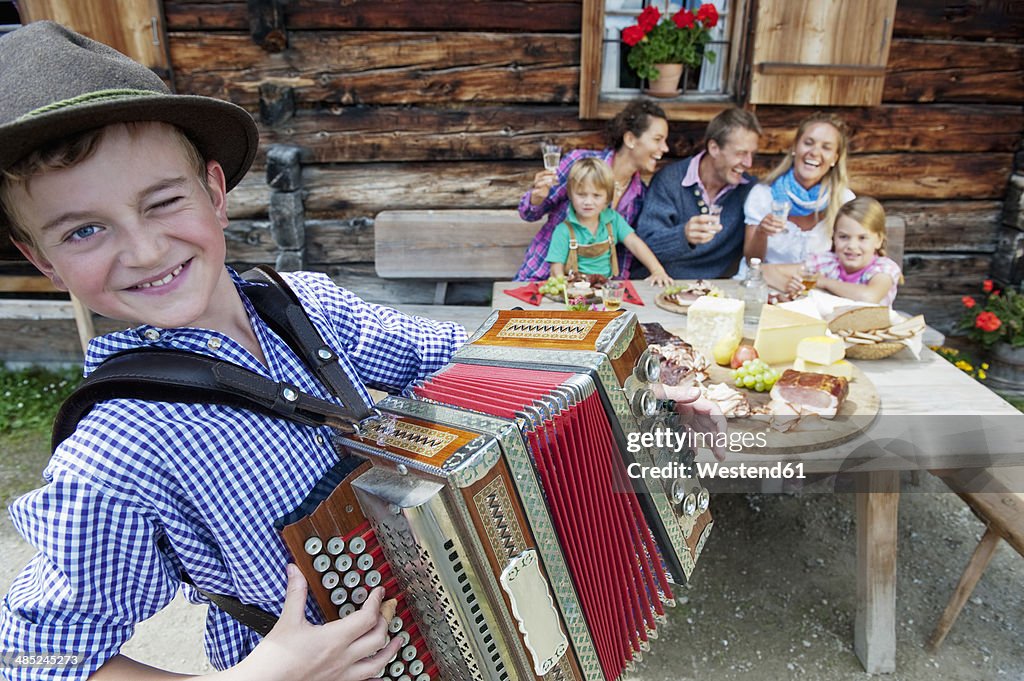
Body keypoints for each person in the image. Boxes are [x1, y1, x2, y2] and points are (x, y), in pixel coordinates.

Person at [0, 22, 722, 681]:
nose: (145, 248)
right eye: (83, 231)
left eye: (162, 202)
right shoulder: (117, 445)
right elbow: (31, 653)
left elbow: (460, 355)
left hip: (470, 629)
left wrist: (635, 376)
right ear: (42, 258)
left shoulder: (306, 305)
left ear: (215, 191)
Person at [515, 98, 669, 281]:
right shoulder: (579, 163)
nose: (665, 148)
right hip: (541, 276)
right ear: (630, 139)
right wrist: (537, 197)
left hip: (592, 289)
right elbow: (528, 214)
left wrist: (613, 288)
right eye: (658, 139)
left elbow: (625, 251)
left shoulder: (640, 195)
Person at [634, 108, 762, 279]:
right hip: (664, 285)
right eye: (741, 153)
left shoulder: (749, 190)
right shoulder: (670, 180)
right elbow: (645, 245)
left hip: (715, 292)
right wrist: (683, 235)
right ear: (714, 148)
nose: (748, 163)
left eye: (752, 154)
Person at [742, 112, 854, 280]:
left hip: (817, 290)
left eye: (826, 147)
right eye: (808, 143)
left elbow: (849, 261)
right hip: (765, 286)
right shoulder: (763, 194)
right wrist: (761, 233)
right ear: (795, 147)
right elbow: (752, 261)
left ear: (835, 159)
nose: (815, 152)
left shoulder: (844, 201)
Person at [545, 158, 673, 286]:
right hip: (576, 289)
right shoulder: (564, 230)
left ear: (607, 198)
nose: (588, 202)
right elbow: (556, 269)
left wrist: (657, 270)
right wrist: (563, 287)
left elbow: (635, 243)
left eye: (596, 195)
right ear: (571, 195)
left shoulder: (613, 220)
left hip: (606, 287)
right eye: (581, 194)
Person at [767, 197, 902, 306]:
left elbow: (868, 297)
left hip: (869, 335)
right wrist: (790, 286)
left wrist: (823, 283)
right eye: (844, 237)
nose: (852, 246)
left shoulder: (884, 268)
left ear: (878, 240)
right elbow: (765, 271)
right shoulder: (826, 262)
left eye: (862, 238)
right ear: (834, 237)